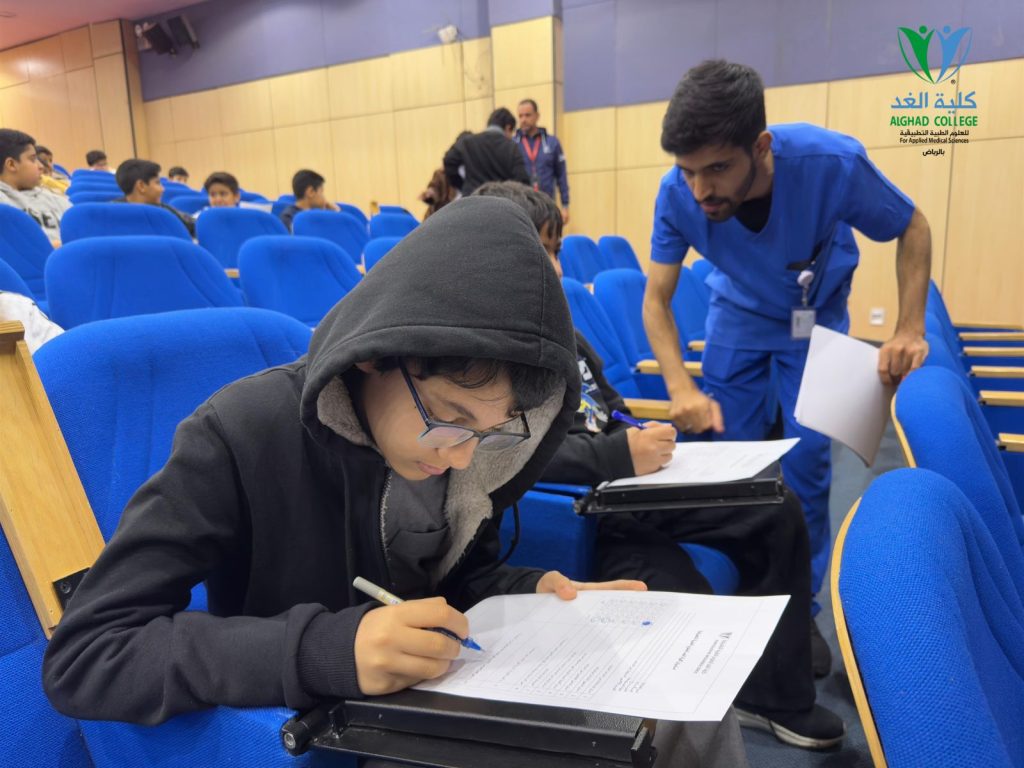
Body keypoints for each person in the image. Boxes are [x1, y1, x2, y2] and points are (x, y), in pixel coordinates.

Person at [40, 197, 745, 766]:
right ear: (378, 357)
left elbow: (446, 582)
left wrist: (536, 594)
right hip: (326, 726)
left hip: (437, 693)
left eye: (491, 432)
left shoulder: (456, 454)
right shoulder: (238, 432)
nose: (463, 459)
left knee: (694, 711)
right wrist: (322, 651)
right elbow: (86, 654)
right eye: (450, 419)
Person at [474, 180, 844, 750]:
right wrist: (619, 452)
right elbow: (507, 455)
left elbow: (609, 406)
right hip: (585, 513)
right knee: (683, 598)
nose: (556, 265)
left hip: (633, 489)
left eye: (556, 248)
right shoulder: (487, 354)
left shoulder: (564, 329)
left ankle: (775, 695)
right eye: (541, 250)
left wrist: (636, 431)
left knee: (774, 506)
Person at [641, 60, 931, 635]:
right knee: (732, 461)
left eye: (717, 168)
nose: (701, 191)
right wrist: (679, 386)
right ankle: (744, 596)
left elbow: (912, 225)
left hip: (814, 314)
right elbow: (656, 300)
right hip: (738, 316)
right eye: (688, 171)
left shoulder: (832, 164)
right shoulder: (677, 194)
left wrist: (908, 328)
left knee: (807, 463)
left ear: (762, 146)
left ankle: (801, 610)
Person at [0, 129, 70, 241]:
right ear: (11, 164)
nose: (41, 166)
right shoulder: (3, 203)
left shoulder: (52, 197)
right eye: (32, 159)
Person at [443, 108, 530, 197]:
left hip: (472, 198)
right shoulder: (511, 146)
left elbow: (449, 160)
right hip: (500, 199)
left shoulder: (468, 142)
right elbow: (522, 180)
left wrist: (462, 185)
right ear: (508, 127)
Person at [514, 99, 570, 224]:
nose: (523, 120)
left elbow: (561, 175)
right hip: (522, 206)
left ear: (537, 116)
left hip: (547, 205)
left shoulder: (552, 143)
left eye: (527, 115)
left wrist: (565, 205)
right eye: (520, 116)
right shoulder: (513, 144)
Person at [113, 159, 196, 237]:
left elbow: (193, 225)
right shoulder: (164, 212)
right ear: (141, 186)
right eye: (158, 183)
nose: (163, 189)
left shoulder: (164, 208)